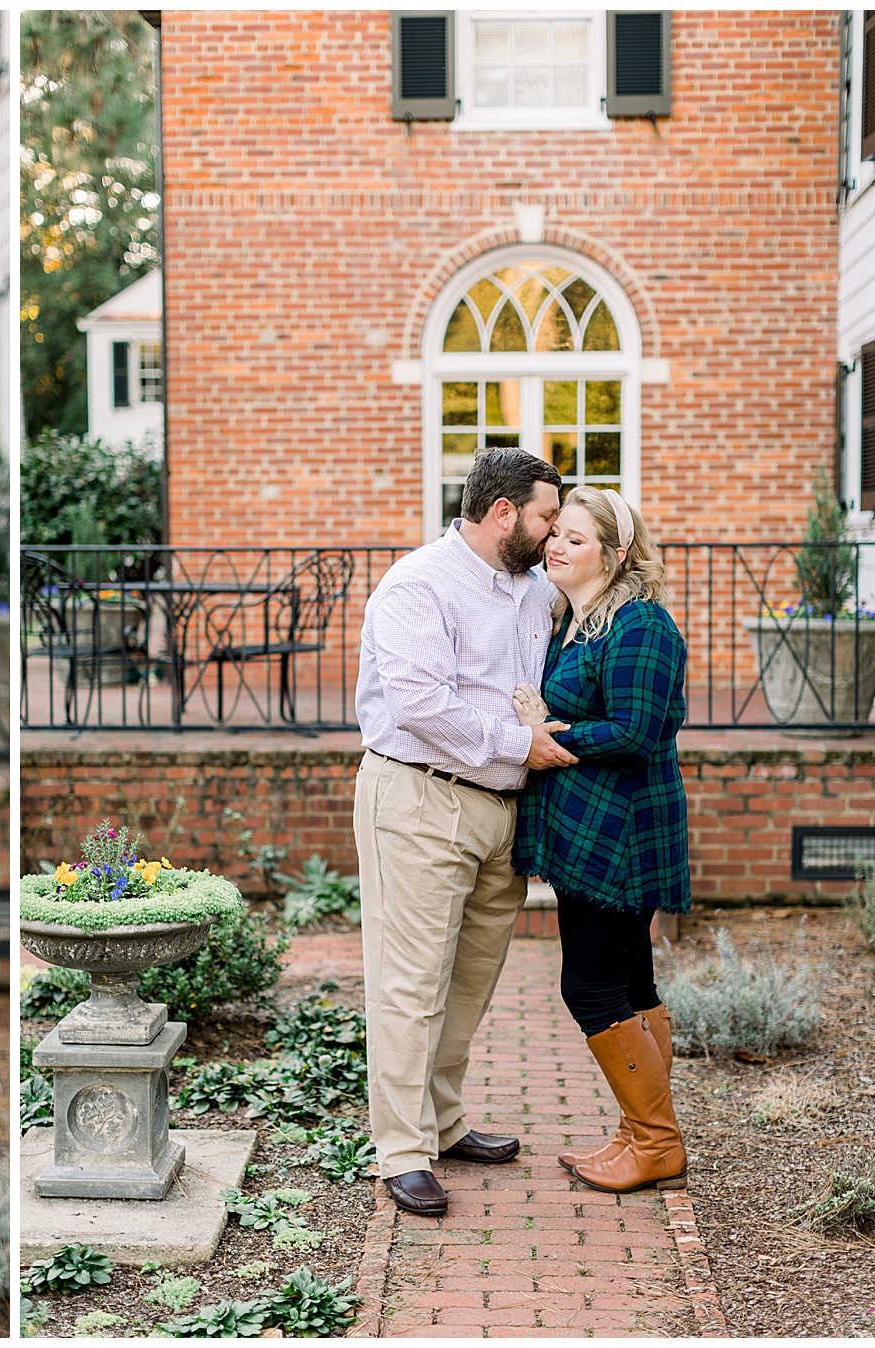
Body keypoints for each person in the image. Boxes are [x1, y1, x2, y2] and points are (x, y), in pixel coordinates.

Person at [352, 446, 577, 1218]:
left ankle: (444, 1123)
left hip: (503, 812)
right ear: (504, 512)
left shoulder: (534, 591)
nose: (554, 534)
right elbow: (421, 704)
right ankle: (401, 1151)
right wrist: (524, 745)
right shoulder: (419, 584)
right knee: (409, 985)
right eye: (548, 517)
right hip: (420, 799)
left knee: (470, 982)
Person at [512, 486, 690, 1194]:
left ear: (616, 555)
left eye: (577, 539)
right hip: (591, 829)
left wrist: (550, 730)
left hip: (623, 832)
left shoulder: (640, 624)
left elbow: (639, 731)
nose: (556, 545)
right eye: (556, 532)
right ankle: (640, 1133)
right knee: (630, 981)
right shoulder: (575, 622)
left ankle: (656, 1141)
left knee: (589, 986)